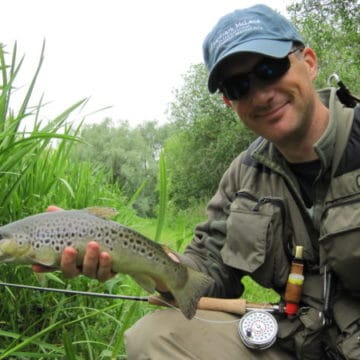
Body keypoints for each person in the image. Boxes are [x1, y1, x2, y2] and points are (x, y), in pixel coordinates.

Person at [35, 4, 360, 359]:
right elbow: (206, 270)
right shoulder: (244, 175)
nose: (261, 94)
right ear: (228, 102)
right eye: (239, 86)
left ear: (309, 62)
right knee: (153, 338)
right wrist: (145, 262)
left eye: (270, 68)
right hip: (300, 340)